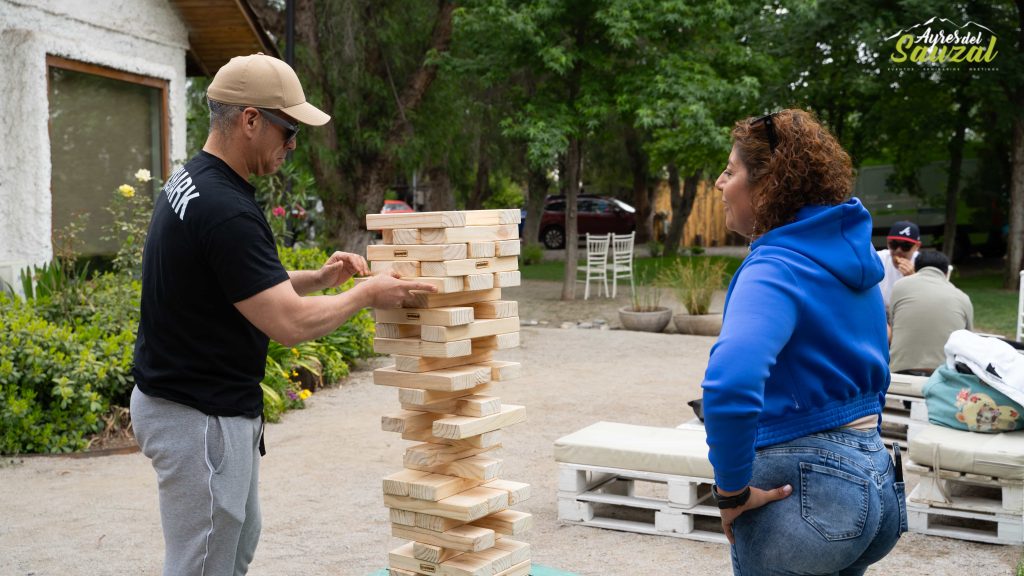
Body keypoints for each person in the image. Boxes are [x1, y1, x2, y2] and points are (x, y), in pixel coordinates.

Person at [129, 53, 436, 576]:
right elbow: (288, 324)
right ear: (250, 120)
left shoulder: (194, 181)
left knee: (235, 543)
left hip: (200, 404)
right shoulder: (224, 208)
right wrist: (366, 295)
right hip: (197, 413)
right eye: (288, 128)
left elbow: (235, 283)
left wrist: (316, 280)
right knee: (203, 563)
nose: (293, 144)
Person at [701, 108, 906, 575]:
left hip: (811, 494)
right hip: (877, 482)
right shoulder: (857, 267)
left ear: (767, 183)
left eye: (731, 171)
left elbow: (729, 384)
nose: (719, 182)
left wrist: (730, 491)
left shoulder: (774, 265)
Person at [890, 250, 973, 375]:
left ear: (916, 268)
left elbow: (893, 326)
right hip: (944, 374)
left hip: (901, 370)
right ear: (946, 273)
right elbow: (967, 341)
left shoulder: (899, 286)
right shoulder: (962, 298)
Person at [876, 220, 921, 310]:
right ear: (888, 242)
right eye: (894, 244)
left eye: (906, 246)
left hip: (911, 311)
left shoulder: (923, 263)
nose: (898, 250)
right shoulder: (878, 258)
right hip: (880, 311)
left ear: (917, 246)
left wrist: (914, 278)